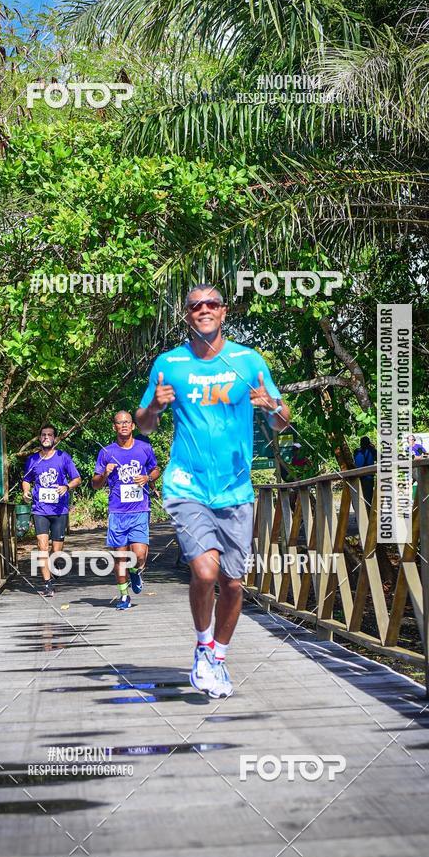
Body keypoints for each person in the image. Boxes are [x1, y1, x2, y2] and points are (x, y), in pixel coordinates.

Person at [136, 283, 290, 699]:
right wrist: (154, 408)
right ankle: (203, 647)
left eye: (211, 304)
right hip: (186, 483)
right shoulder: (169, 364)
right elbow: (144, 424)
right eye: (195, 306)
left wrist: (272, 408)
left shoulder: (248, 360)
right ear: (186, 315)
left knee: (233, 583)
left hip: (236, 489)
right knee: (205, 571)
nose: (203, 310)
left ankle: (218, 657)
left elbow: (281, 420)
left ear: (224, 312)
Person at [92, 411, 160, 610]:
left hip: (139, 510)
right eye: (119, 422)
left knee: (139, 555)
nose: (123, 425)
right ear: (114, 426)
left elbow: (156, 469)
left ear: (132, 426)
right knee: (120, 557)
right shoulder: (106, 452)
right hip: (117, 512)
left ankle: (135, 571)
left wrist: (148, 477)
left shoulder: (144, 448)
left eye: (127, 422)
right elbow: (95, 484)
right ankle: (124, 596)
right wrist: (105, 473)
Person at [22, 424, 82, 597]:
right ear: (40, 438)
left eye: (50, 435)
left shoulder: (63, 458)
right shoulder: (33, 460)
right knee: (42, 546)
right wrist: (26, 491)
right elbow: (26, 479)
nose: (46, 437)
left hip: (59, 509)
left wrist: (67, 486)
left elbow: (77, 478)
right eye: (43, 435)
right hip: (40, 509)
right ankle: (48, 583)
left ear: (55, 438)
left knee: (56, 550)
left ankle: (54, 567)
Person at [354, 436, 377, 507]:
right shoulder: (371, 450)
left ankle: (359, 515)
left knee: (359, 497)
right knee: (368, 498)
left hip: (358, 477)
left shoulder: (356, 451)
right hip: (368, 477)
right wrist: (373, 447)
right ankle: (367, 515)